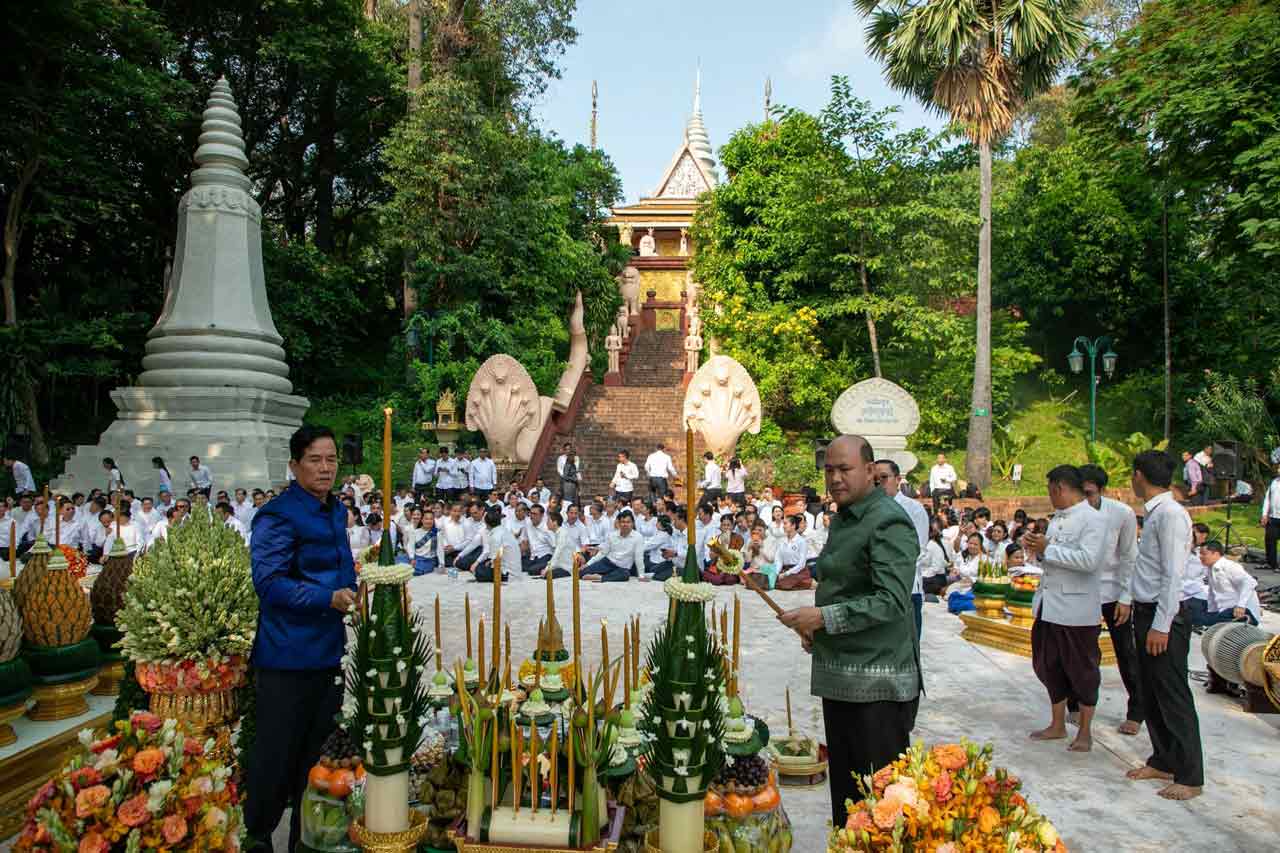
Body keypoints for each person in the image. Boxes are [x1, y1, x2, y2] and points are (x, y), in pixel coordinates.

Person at [776, 435, 920, 827]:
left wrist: (823, 619)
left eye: (846, 469)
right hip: (842, 672)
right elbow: (844, 588)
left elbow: (891, 600)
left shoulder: (887, 519)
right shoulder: (846, 517)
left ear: (871, 471)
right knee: (848, 794)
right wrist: (817, 628)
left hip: (877, 682)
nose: (835, 478)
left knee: (884, 802)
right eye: (829, 470)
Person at [245, 424, 356, 852]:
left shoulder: (334, 511)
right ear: (294, 465)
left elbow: (342, 569)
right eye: (315, 460)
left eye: (331, 459)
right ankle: (256, 836)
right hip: (286, 658)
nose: (325, 468)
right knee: (275, 757)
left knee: (317, 761)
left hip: (328, 655)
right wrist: (326, 597)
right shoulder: (278, 515)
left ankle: (304, 842)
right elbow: (269, 583)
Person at [1125, 450, 1203, 801]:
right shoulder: (1156, 513)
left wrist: (1161, 624)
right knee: (1151, 689)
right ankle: (1163, 758)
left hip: (1163, 615)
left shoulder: (1171, 515)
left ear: (1139, 475)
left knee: (1172, 693)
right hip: (1145, 612)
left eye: (1132, 475)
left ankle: (1190, 775)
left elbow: (1174, 575)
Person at [1021, 465, 1106, 753]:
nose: (1050, 495)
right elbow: (1052, 559)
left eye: (1050, 489)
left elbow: (1089, 561)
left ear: (1060, 488)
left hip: (1077, 608)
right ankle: (1057, 723)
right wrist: (1039, 549)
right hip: (1049, 604)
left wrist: (1049, 548)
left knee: (1082, 670)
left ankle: (1085, 730)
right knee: (1047, 664)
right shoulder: (1057, 520)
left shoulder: (1093, 520)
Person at [1079, 464, 1143, 736]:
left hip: (1114, 592)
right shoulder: (1071, 513)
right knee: (1081, 652)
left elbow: (1130, 556)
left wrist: (1126, 597)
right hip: (1081, 591)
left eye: (1090, 494)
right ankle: (1078, 703)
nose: (1086, 500)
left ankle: (1137, 710)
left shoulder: (1122, 514)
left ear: (1101, 490)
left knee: (1126, 653)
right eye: (1080, 494)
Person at [877, 459, 930, 640]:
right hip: (876, 587)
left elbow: (920, 550)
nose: (879, 483)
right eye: (875, 479)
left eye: (884, 477)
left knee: (909, 643)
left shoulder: (914, 509)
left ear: (898, 479)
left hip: (906, 585)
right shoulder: (869, 509)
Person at [1196, 540, 1261, 626]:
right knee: (1198, 618)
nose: (1200, 557)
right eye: (1200, 554)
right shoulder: (1210, 569)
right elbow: (1212, 594)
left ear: (1215, 554)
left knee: (1198, 617)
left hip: (1241, 613)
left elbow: (1249, 582)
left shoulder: (1229, 566)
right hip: (1225, 611)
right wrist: (1211, 612)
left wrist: (1241, 606)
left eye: (1203, 554)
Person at [583, 509, 645, 582]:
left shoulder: (638, 537)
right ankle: (606, 575)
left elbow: (639, 558)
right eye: (623, 522)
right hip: (608, 562)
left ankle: (600, 577)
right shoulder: (612, 535)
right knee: (581, 573)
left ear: (633, 523)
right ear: (619, 523)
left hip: (622, 568)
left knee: (625, 575)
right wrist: (587, 564)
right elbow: (603, 553)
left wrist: (641, 575)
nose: (625, 524)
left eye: (628, 522)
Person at [1260, 465, 1280, 571]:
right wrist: (1264, 514)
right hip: (1273, 517)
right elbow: (1267, 499)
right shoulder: (1274, 482)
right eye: (1278, 468)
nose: (1278, 470)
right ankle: (1271, 563)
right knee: (1270, 540)